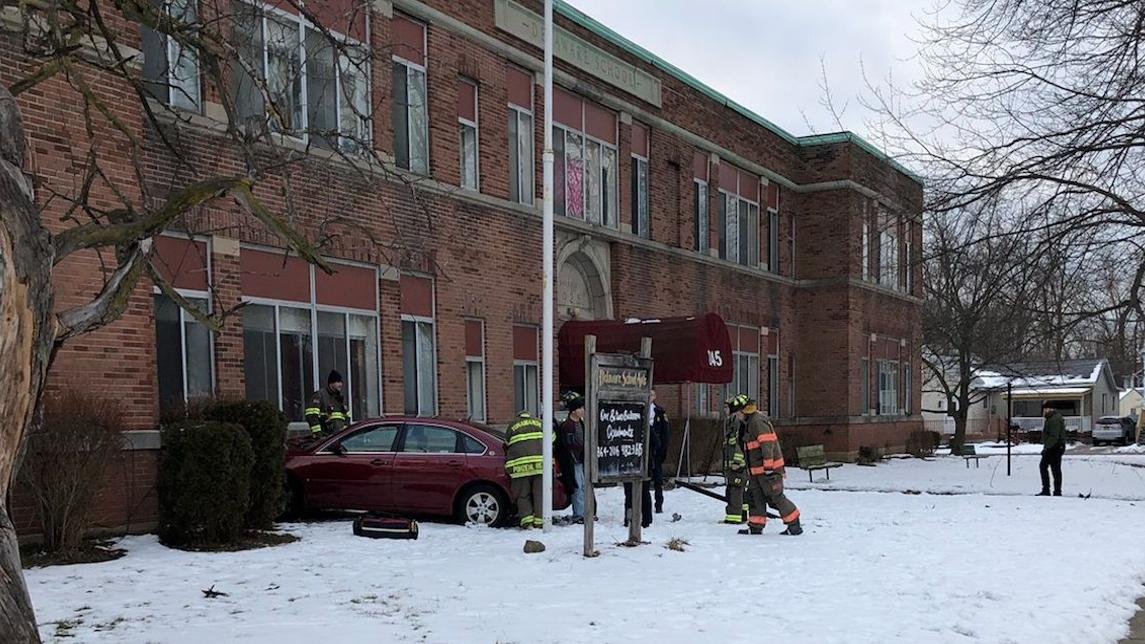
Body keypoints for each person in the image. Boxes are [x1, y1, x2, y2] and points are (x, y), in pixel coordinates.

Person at [736, 397, 802, 536]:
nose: (736, 416)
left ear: (744, 411)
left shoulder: (757, 422)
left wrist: (768, 467)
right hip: (756, 472)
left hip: (768, 471)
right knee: (755, 497)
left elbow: (767, 445)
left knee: (775, 498)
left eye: (737, 412)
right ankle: (756, 526)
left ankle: (794, 525)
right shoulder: (749, 423)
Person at [504, 411, 545, 529]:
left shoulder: (512, 425)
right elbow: (552, 438)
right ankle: (540, 522)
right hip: (539, 465)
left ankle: (527, 522)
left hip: (520, 467)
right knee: (539, 494)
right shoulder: (540, 423)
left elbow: (506, 443)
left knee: (522, 495)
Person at [560, 392, 588, 523]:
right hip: (573, 461)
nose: (583, 410)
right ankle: (579, 514)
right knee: (577, 487)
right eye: (580, 408)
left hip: (580, 460)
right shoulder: (568, 426)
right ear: (573, 410)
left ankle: (583, 511)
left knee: (583, 487)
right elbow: (569, 444)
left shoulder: (580, 423)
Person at [722, 395, 749, 525]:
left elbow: (740, 443)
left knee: (735, 490)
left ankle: (734, 517)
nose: (724, 410)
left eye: (726, 407)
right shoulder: (731, 420)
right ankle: (742, 514)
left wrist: (737, 462)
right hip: (734, 463)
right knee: (739, 490)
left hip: (738, 464)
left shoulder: (737, 422)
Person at [305, 370, 351, 436]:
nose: (340, 384)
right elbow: (311, 415)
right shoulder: (320, 396)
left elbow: (347, 416)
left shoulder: (340, 398)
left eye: (341, 382)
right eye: (338, 382)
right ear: (331, 383)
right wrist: (319, 434)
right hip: (326, 438)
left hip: (339, 437)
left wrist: (345, 431)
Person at [649, 390, 671, 514]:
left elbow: (665, 432)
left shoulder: (660, 412)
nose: (650, 397)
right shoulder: (640, 410)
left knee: (658, 479)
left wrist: (662, 449)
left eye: (652, 395)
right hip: (645, 450)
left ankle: (659, 504)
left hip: (656, 450)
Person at [1038, 402, 1066, 496]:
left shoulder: (1054, 420)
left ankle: (1049, 490)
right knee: (1054, 469)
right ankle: (1055, 490)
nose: (1044, 411)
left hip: (1054, 447)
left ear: (1051, 409)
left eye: (1046, 409)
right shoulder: (1051, 418)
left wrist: (1047, 447)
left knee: (1046, 467)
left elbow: (1054, 436)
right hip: (1055, 447)